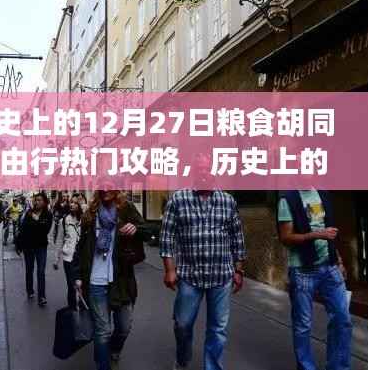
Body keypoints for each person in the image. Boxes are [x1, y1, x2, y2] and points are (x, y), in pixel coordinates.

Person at [159, 156, 246, 370]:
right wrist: (169, 269)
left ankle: (212, 366)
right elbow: (166, 236)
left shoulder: (227, 201)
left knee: (218, 329)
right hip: (189, 275)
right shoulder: (178, 199)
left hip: (221, 275)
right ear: (193, 172)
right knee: (182, 324)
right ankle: (183, 360)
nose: (204, 173)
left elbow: (237, 237)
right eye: (200, 169)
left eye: (208, 169)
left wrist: (239, 270)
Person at [277, 189, 353, 370]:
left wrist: (338, 260)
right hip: (303, 270)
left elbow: (329, 232)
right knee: (303, 325)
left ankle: (338, 367)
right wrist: (316, 235)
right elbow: (285, 237)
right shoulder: (287, 199)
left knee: (342, 318)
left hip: (330, 266)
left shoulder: (322, 194)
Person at [72, 183, 145, 370]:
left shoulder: (126, 209)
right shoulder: (90, 214)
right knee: (102, 331)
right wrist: (78, 276)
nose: (105, 189)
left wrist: (136, 228)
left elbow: (148, 230)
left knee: (124, 327)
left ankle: (114, 350)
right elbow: (81, 248)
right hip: (95, 281)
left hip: (121, 281)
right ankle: (103, 364)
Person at [16, 192, 53, 307]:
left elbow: (45, 230)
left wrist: (37, 220)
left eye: (40, 200)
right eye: (36, 200)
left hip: (41, 246)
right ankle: (30, 290)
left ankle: (42, 296)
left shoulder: (48, 215)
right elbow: (23, 229)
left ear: (44, 202)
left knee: (41, 271)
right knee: (29, 269)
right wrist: (19, 244)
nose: (37, 202)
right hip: (29, 246)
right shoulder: (29, 213)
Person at [55, 198, 82, 307]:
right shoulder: (64, 221)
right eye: (71, 202)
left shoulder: (85, 219)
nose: (72, 204)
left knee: (82, 284)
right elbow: (59, 240)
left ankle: (82, 307)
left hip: (82, 257)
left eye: (75, 203)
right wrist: (57, 259)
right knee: (71, 285)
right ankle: (72, 309)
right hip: (69, 258)